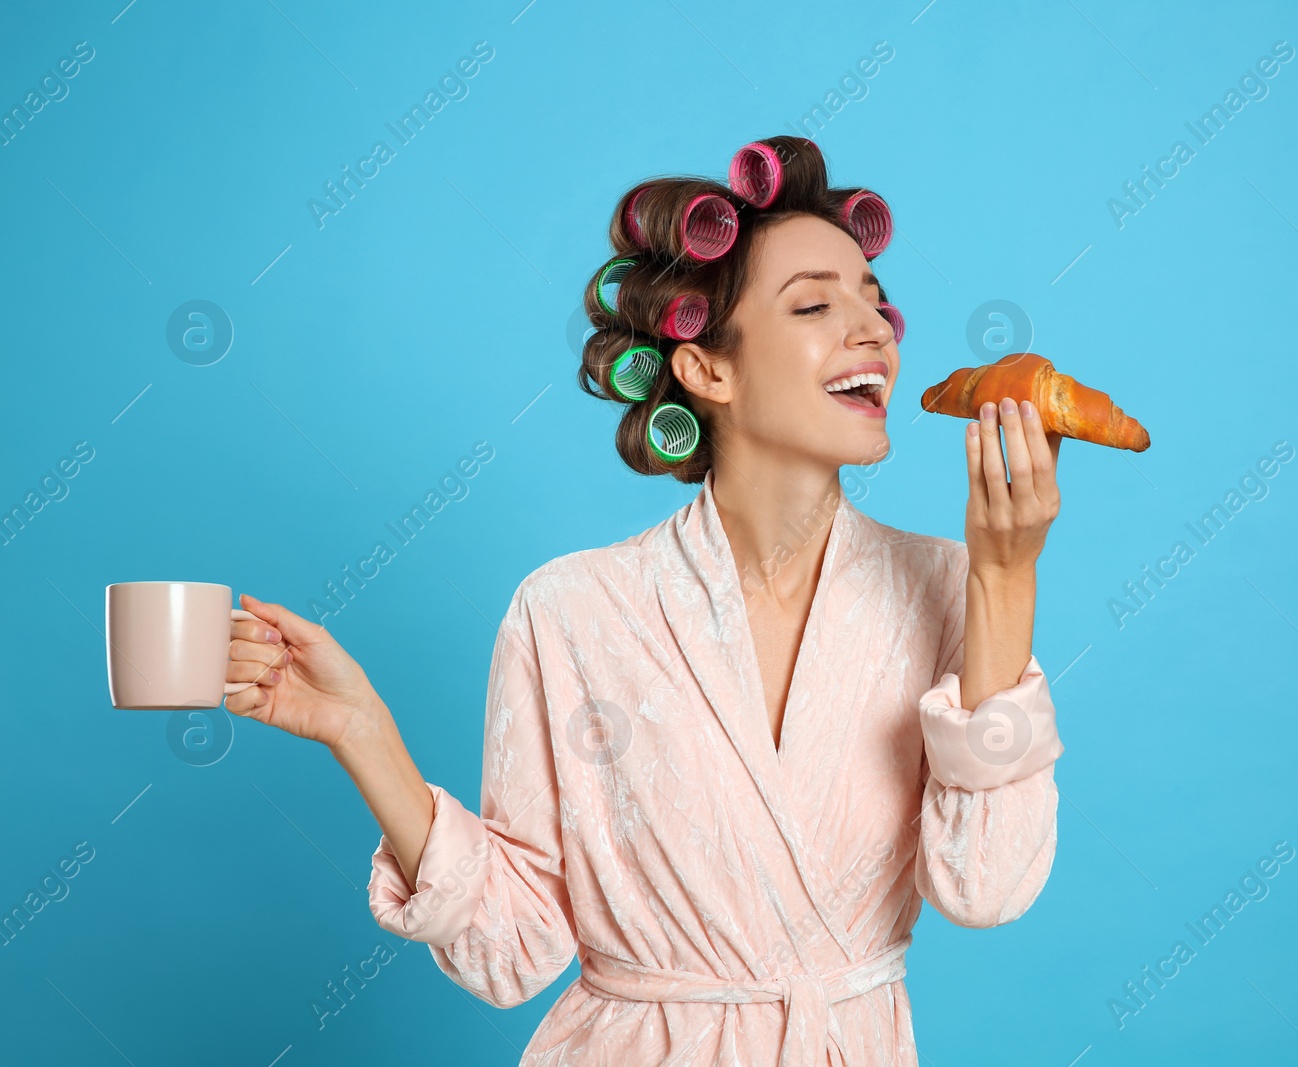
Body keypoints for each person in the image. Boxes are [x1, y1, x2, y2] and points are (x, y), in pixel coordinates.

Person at [224, 135, 1066, 1066]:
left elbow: (984, 886)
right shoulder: (572, 610)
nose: (874, 330)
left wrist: (1004, 574)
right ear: (709, 371)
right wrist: (364, 733)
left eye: (874, 301)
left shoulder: (949, 585)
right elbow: (512, 950)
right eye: (817, 304)